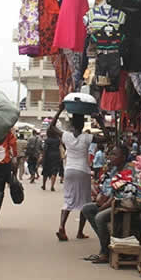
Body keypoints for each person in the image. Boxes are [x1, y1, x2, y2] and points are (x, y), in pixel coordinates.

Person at [49, 103, 107, 241]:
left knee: (68, 200)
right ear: (82, 125)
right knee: (85, 203)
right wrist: (100, 121)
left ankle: (62, 227)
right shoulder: (87, 137)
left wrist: (60, 110)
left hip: (69, 170)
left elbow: (51, 127)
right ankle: (80, 232)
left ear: (71, 124)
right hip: (83, 171)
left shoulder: (66, 136)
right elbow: (107, 138)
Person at [81, 144, 130, 264]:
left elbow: (119, 195)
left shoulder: (128, 170)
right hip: (110, 201)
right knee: (87, 209)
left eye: (114, 154)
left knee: (99, 217)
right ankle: (106, 245)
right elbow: (107, 189)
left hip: (122, 204)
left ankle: (104, 251)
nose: (110, 157)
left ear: (123, 157)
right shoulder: (113, 170)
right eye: (111, 154)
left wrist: (103, 205)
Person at [41, 127, 61, 191]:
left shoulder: (47, 140)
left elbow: (45, 149)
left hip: (48, 156)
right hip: (56, 156)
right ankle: (52, 186)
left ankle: (44, 185)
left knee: (46, 171)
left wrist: (43, 157)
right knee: (54, 171)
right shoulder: (58, 140)